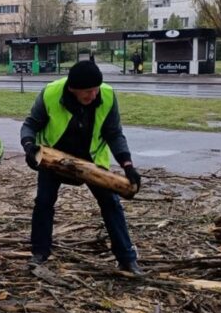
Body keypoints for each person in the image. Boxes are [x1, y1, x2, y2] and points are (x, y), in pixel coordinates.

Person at [20, 61, 145, 275]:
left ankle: (127, 258)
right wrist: (30, 147)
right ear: (73, 89)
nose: (94, 95)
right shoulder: (50, 94)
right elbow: (30, 125)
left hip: (91, 158)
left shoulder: (106, 96)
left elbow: (114, 134)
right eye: (88, 91)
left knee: (111, 203)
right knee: (43, 202)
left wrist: (128, 165)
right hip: (54, 158)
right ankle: (40, 253)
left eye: (96, 89)